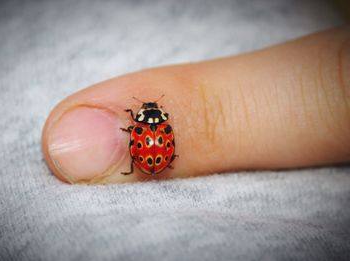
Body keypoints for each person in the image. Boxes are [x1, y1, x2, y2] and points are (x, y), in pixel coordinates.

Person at [42, 26, 350, 184]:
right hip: (158, 163)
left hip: (152, 164)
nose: (149, 113)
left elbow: (140, 134)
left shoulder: (140, 126)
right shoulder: (161, 127)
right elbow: (162, 141)